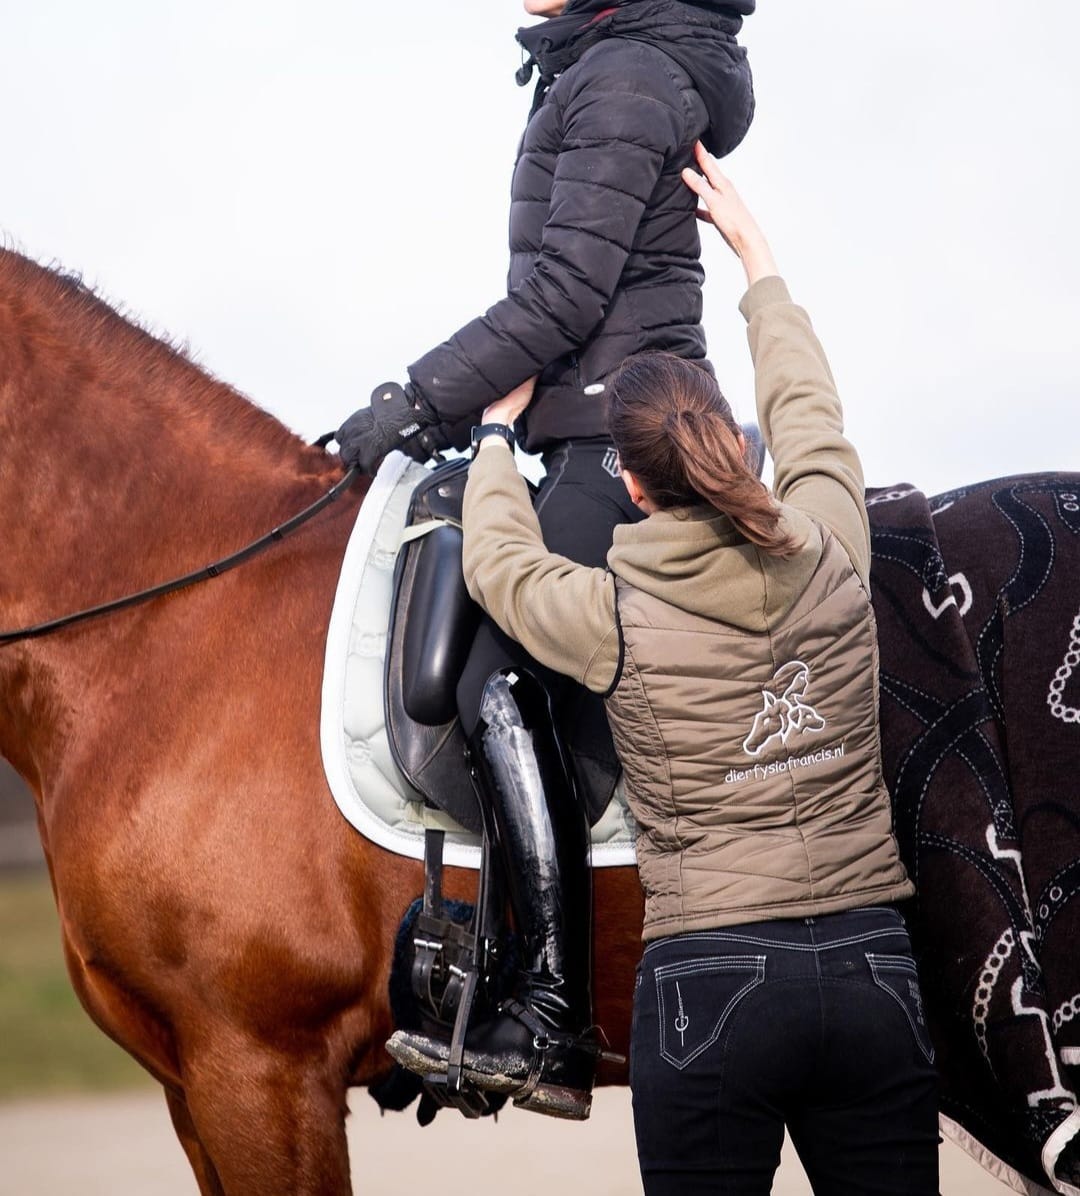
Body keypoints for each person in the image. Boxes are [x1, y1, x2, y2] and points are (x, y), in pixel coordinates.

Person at [391, 148, 940, 1192]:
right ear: (736, 446)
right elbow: (813, 422)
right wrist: (758, 266)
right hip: (875, 970)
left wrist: (499, 441)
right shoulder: (832, 545)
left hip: (713, 986)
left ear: (632, 488)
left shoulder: (614, 613)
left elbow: (504, 570)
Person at [344, 0, 756, 1118]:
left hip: (619, 437)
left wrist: (415, 400)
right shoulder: (603, 65)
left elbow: (566, 292)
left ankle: (554, 1015)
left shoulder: (622, 76)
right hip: (580, 422)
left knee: (496, 678)